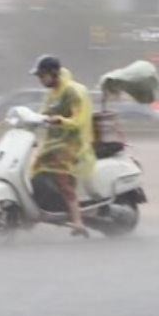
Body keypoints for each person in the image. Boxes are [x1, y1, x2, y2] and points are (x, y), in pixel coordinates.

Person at [30, 55, 95, 237]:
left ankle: (78, 222)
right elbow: (43, 113)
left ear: (53, 73)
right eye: (39, 76)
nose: (40, 80)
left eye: (42, 76)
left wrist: (60, 120)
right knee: (35, 172)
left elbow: (79, 120)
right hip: (55, 142)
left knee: (61, 180)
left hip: (72, 143)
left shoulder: (72, 92)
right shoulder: (52, 92)